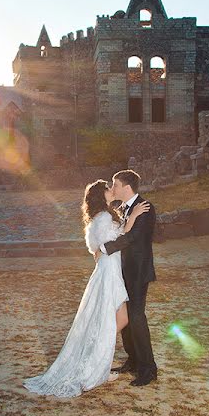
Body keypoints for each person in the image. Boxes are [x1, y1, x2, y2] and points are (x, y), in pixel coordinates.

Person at [23, 179, 150, 398]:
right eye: (108, 189)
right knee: (117, 319)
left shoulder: (99, 218)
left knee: (116, 318)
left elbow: (96, 248)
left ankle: (96, 360)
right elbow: (121, 240)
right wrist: (135, 216)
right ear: (101, 196)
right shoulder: (102, 218)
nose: (112, 190)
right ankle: (95, 364)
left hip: (108, 269)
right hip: (109, 271)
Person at [95, 169, 158, 387]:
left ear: (126, 187)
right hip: (121, 272)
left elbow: (131, 237)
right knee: (127, 317)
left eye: (115, 184)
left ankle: (149, 369)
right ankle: (133, 360)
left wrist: (104, 248)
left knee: (137, 317)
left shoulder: (146, 208)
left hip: (138, 272)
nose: (113, 188)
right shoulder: (122, 208)